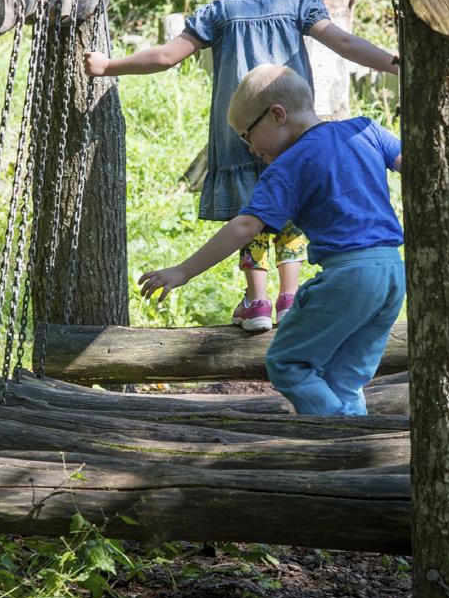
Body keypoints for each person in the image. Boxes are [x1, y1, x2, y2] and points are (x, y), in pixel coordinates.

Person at [86, 0, 397, 332]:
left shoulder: (219, 12)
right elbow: (346, 43)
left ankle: (257, 302)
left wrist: (109, 66)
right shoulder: (299, 4)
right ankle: (289, 298)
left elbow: (165, 56)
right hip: (291, 133)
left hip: (242, 135)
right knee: (292, 210)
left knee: (250, 213)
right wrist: (395, 63)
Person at [139, 64, 405, 416]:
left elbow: (245, 226)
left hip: (349, 276)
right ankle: (350, 451)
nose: (250, 149)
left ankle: (335, 432)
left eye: (247, 135)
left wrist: (184, 271)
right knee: (345, 377)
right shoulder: (364, 129)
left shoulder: (288, 165)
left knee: (287, 364)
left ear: (277, 115)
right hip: (393, 274)